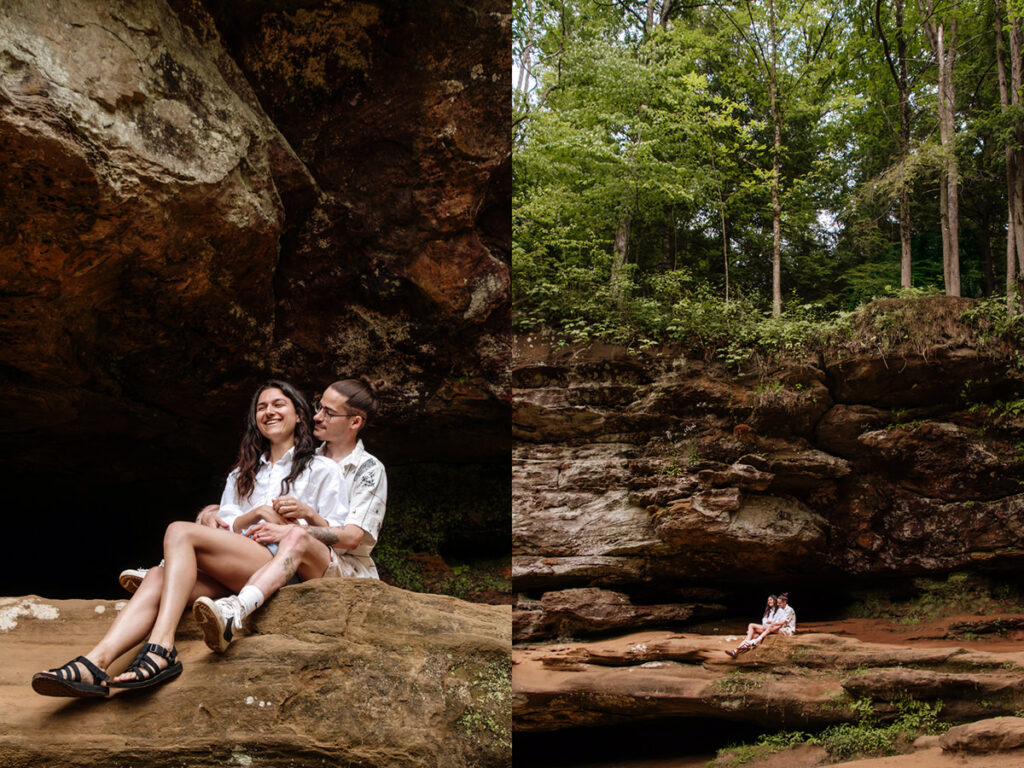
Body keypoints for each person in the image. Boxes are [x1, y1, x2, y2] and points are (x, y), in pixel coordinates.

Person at [31, 381, 348, 697]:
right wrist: (254, 515)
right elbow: (223, 525)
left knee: (179, 531)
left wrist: (291, 524)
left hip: (283, 566)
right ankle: (95, 663)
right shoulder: (242, 473)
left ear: (300, 416)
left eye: (279, 404)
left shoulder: (322, 468)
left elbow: (335, 534)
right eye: (261, 407)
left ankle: (161, 647)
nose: (269, 412)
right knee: (158, 576)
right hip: (239, 565)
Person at [190, 378, 387, 653]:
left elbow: (353, 537)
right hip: (288, 557)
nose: (317, 416)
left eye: (329, 413)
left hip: (344, 568)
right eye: (319, 407)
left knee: (294, 535)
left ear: (355, 422)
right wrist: (209, 513)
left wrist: (300, 525)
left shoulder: (368, 469)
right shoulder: (306, 457)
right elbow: (254, 500)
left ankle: (235, 610)